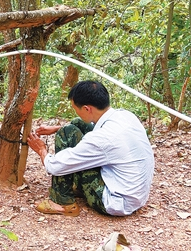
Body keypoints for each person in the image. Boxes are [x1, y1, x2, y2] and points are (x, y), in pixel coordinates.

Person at [27, 80, 154, 217]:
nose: (76, 112)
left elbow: (55, 166)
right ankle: (77, 187)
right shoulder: (125, 115)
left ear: (87, 109)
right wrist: (56, 128)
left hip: (116, 201)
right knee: (75, 124)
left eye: (76, 109)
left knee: (67, 133)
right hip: (135, 194)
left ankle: (62, 202)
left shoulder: (101, 139)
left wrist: (41, 149)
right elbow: (96, 132)